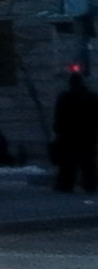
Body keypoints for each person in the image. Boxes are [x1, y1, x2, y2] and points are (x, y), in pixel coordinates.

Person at [53, 65, 98, 196]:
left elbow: (59, 116)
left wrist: (58, 131)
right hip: (88, 135)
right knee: (88, 163)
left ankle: (66, 185)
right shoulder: (92, 97)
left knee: (68, 163)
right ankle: (90, 184)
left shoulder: (65, 98)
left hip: (69, 135)